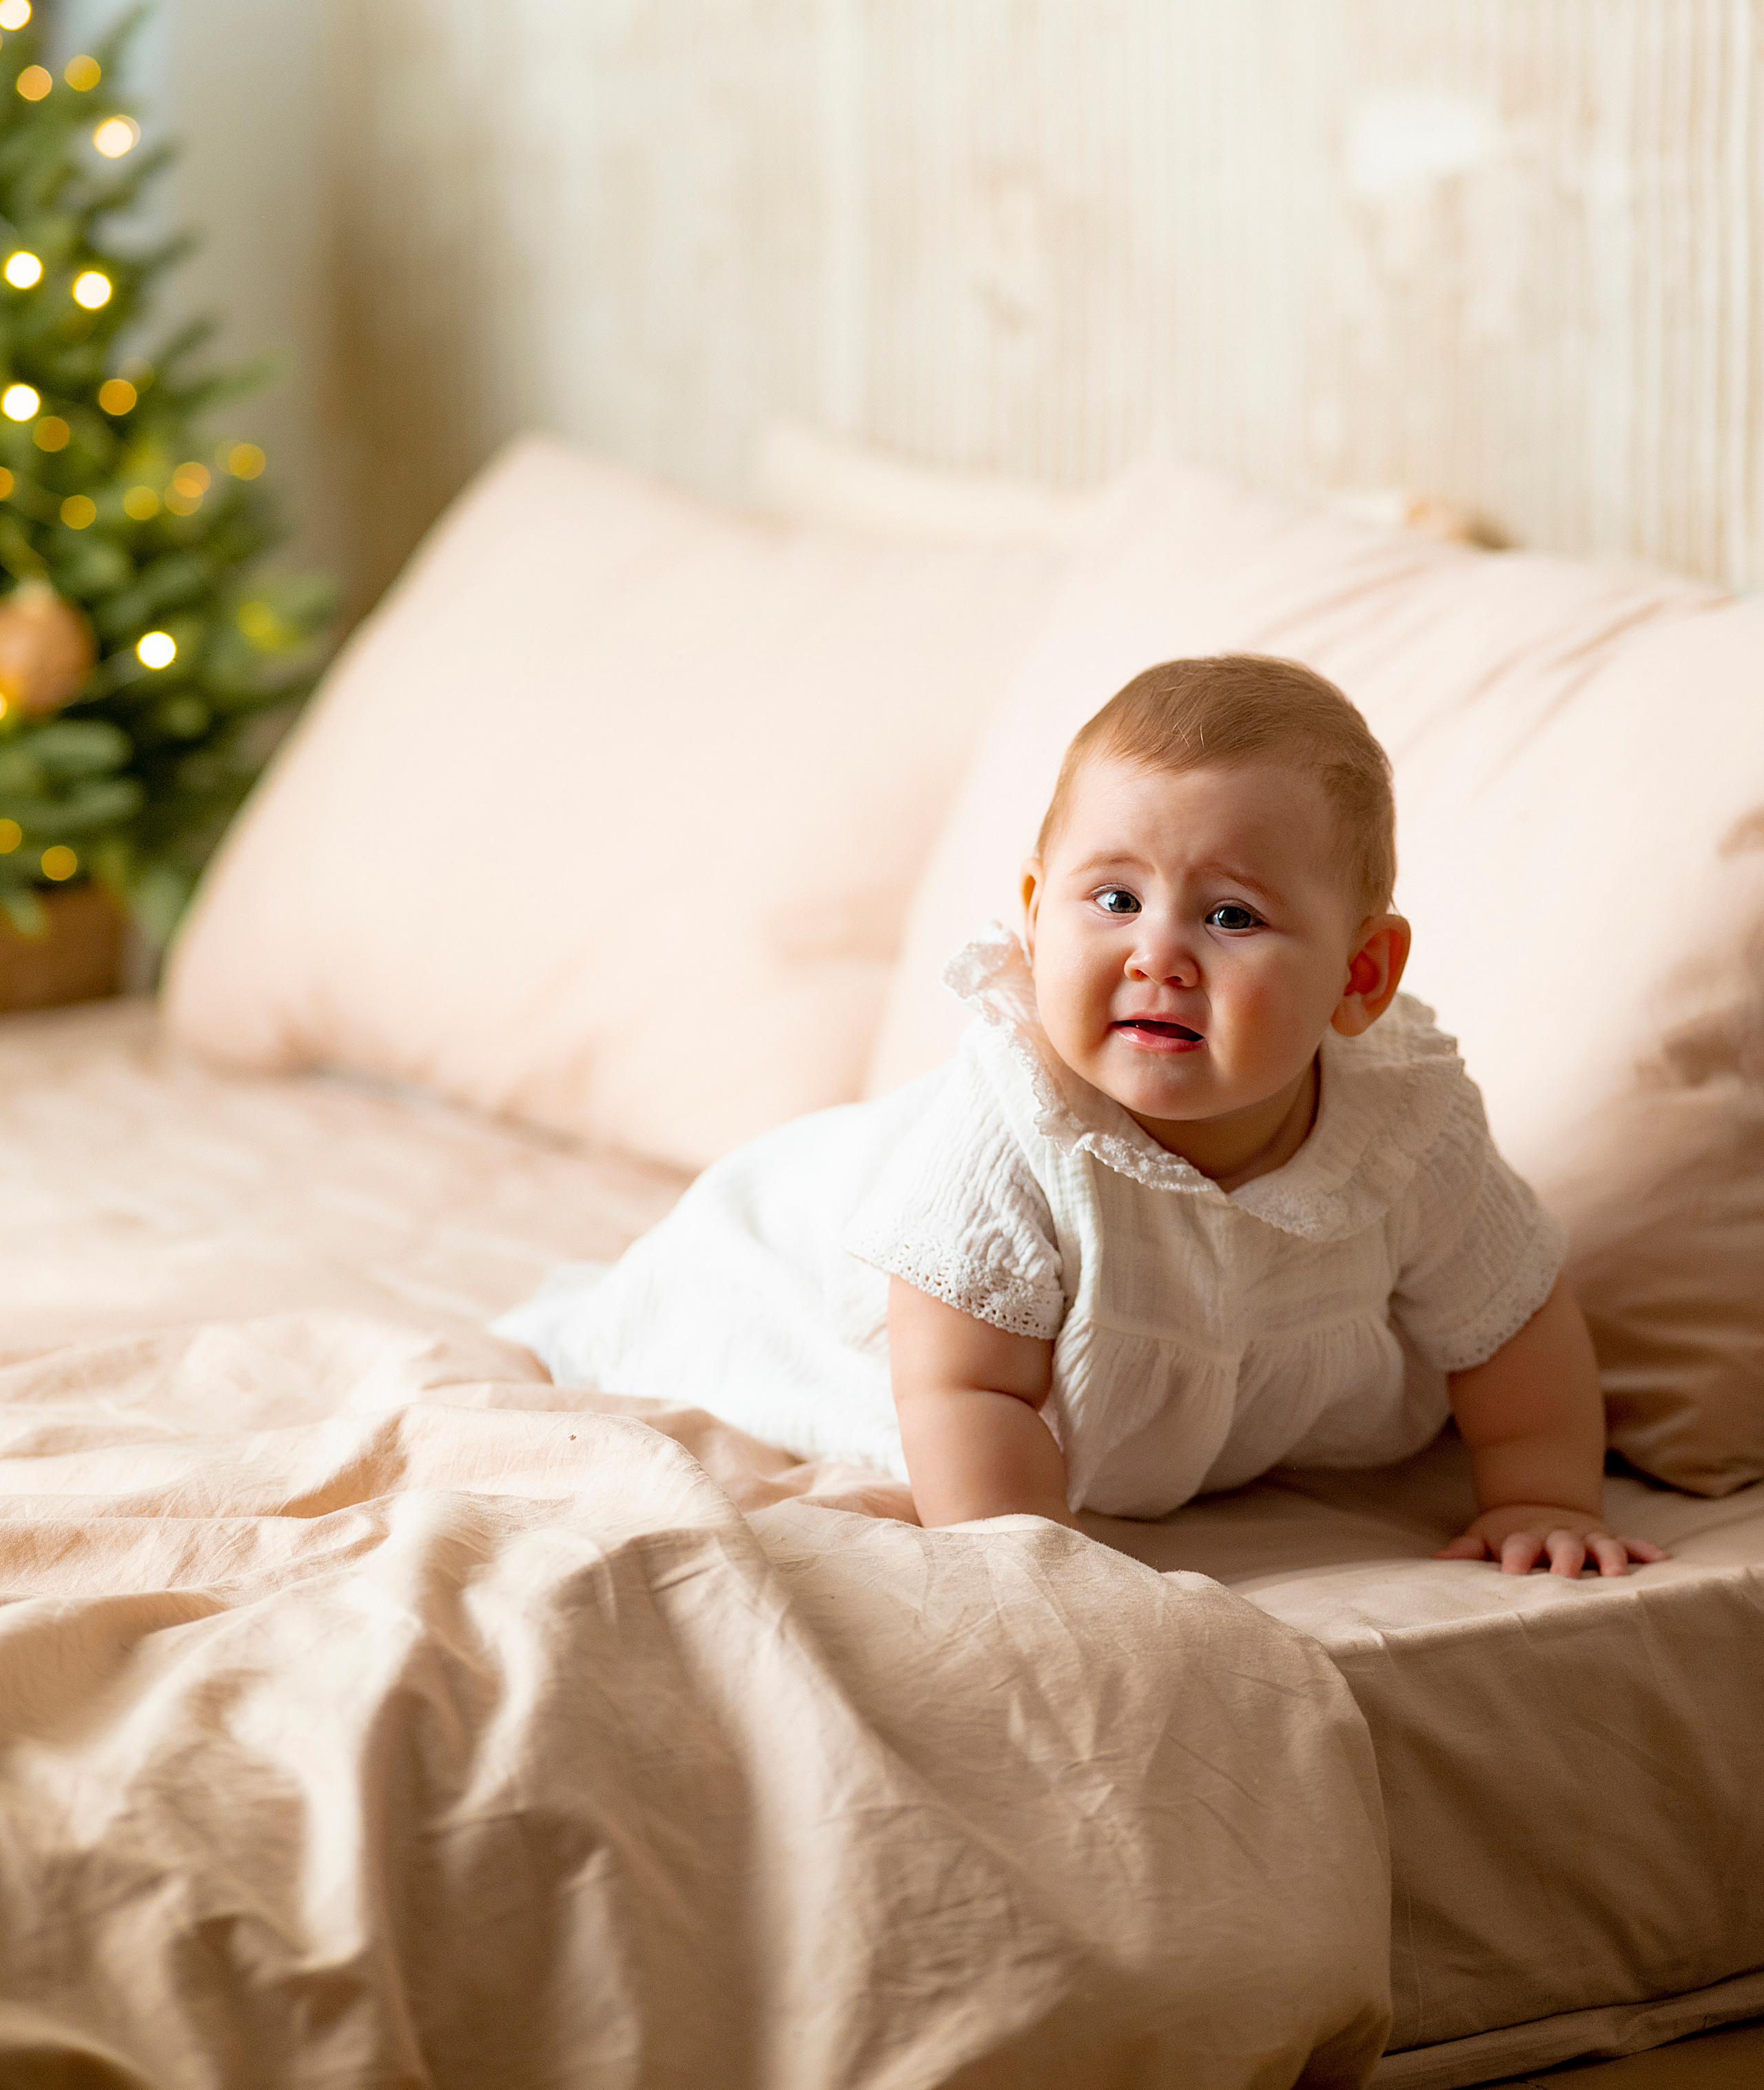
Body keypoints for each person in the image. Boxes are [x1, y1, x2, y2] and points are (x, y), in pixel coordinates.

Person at [501, 654, 1663, 1577]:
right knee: (692, 1333)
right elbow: (967, 1389)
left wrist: (1542, 1497)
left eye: (1232, 917)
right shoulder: (1014, 1128)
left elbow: (1510, 1315)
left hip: (1184, 1409)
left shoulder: (1406, 1122)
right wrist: (1025, 1566)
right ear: (1032, 917)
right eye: (1113, 898)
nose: (1157, 952)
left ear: (1362, 977)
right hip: (823, 1277)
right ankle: (574, 1323)